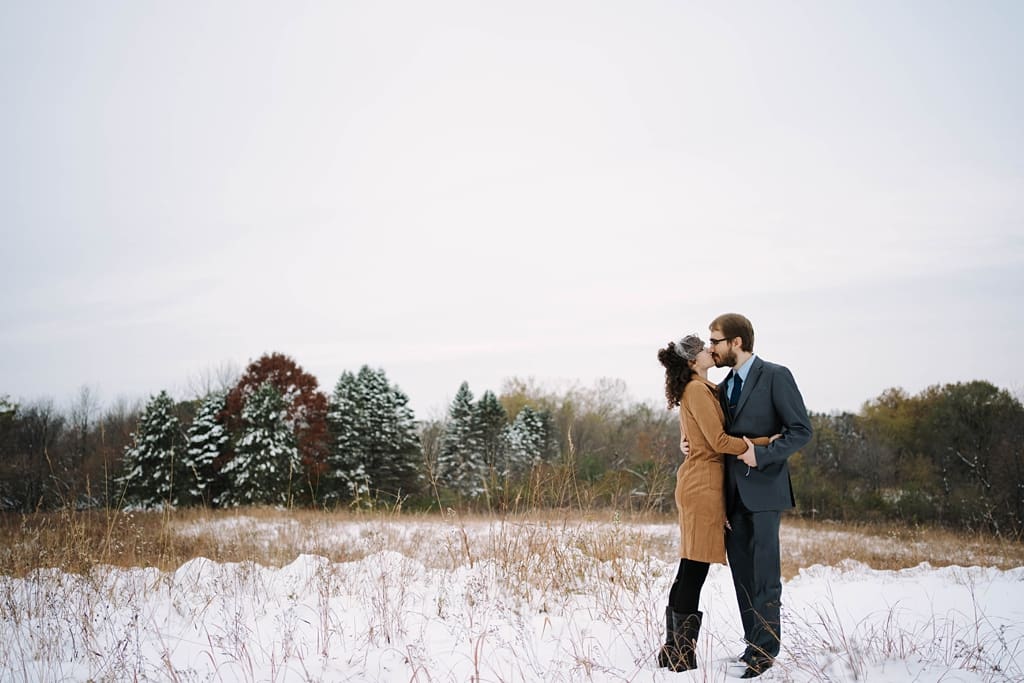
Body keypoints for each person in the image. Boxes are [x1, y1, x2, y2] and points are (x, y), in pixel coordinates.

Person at [656, 334, 778, 672]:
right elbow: (719, 440)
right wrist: (766, 443)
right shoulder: (697, 390)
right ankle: (680, 655)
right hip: (702, 484)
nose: (712, 351)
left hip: (703, 480)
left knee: (690, 566)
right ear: (693, 361)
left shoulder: (704, 389)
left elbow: (700, 436)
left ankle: (672, 650)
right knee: (695, 567)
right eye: (704, 350)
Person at [709, 313, 812, 678]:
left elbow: (801, 431)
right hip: (731, 495)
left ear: (736, 342)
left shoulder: (776, 376)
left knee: (765, 574)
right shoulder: (721, 388)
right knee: (742, 575)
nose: (711, 348)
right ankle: (753, 643)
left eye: (715, 341)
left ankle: (766, 652)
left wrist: (762, 454)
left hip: (766, 492)